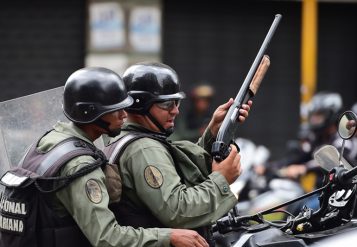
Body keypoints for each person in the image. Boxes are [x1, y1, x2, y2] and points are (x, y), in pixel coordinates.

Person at [0, 67, 208, 247]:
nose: (124, 115)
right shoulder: (80, 165)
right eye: (115, 110)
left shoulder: (49, 140)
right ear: (91, 114)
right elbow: (107, 238)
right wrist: (169, 236)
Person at [104, 62, 252, 245]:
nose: (175, 110)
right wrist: (222, 179)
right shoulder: (144, 149)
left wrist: (213, 132)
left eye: (177, 102)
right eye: (167, 104)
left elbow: (182, 173)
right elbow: (179, 211)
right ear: (140, 105)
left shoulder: (127, 139)